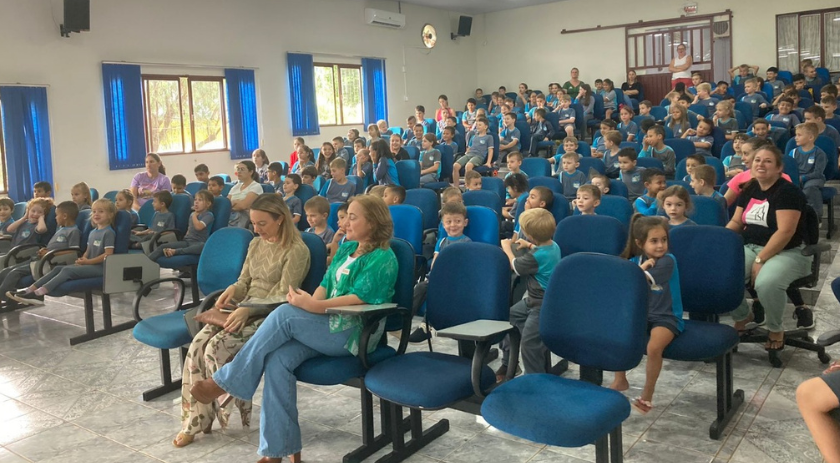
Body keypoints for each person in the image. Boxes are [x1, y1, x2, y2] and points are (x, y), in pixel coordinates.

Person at [188, 195, 398, 462]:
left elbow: (360, 299)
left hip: (354, 333)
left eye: (352, 217)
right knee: (277, 361)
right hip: (327, 327)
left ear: (374, 222)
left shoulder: (383, 257)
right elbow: (325, 284)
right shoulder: (346, 248)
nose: (344, 222)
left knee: (286, 313)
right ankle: (277, 450)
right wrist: (311, 301)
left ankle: (228, 380)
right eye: (345, 216)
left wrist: (310, 307)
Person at [172, 193, 310, 448]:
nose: (256, 230)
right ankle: (193, 422)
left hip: (271, 316)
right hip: (243, 307)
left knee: (216, 348)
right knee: (197, 346)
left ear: (280, 219)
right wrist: (232, 291)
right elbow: (244, 280)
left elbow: (284, 295)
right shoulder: (256, 244)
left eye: (262, 224)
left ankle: (219, 406)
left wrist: (248, 310)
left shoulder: (296, 250)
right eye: (254, 224)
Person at [727, 145, 812, 351]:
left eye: (767, 161)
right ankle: (742, 316)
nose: (761, 164)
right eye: (757, 160)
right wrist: (721, 243)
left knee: (767, 283)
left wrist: (760, 260)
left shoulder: (787, 192)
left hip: (788, 251)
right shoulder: (750, 188)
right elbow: (737, 223)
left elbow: (785, 232)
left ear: (778, 168)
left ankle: (775, 328)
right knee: (723, 273)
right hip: (751, 246)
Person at [610, 215, 683, 415]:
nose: (660, 246)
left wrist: (639, 269)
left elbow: (635, 279)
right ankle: (620, 379)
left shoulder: (668, 261)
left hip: (667, 317)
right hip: (643, 315)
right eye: (654, 241)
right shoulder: (635, 260)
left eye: (664, 240)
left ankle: (647, 395)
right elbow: (621, 283)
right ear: (640, 243)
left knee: (653, 347)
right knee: (619, 334)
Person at [9, 199, 117, 307]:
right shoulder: (93, 232)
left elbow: (108, 255)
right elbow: (88, 251)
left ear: (110, 214)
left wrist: (88, 262)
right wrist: (82, 260)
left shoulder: (108, 232)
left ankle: (39, 293)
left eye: (101, 211)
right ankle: (29, 290)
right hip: (89, 264)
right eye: (94, 211)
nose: (96, 214)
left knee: (67, 270)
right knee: (57, 269)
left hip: (101, 268)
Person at [498, 208, 561, 378]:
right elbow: (541, 248)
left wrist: (506, 248)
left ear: (530, 235)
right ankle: (510, 362)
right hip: (533, 301)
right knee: (508, 319)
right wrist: (530, 245)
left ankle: (535, 380)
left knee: (529, 344)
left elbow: (516, 266)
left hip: (542, 306)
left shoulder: (535, 257)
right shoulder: (553, 246)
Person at [0, 201, 78, 311]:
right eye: (33, 211)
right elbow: (10, 229)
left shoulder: (73, 231)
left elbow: (73, 250)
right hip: (40, 258)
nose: (55, 218)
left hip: (47, 260)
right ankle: (7, 297)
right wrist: (24, 217)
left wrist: (41, 218)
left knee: (15, 272)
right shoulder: (60, 229)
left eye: (57, 215)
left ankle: (2, 297)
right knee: (6, 270)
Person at [148, 190, 215, 262]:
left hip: (198, 243)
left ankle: (175, 251)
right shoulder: (192, 215)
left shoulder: (208, 215)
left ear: (208, 204)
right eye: (195, 199)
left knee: (202, 247)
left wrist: (194, 215)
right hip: (187, 241)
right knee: (162, 247)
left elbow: (198, 227)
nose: (196, 202)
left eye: (200, 200)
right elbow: (189, 229)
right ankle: (145, 263)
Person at [789, 122, 827, 217]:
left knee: (810, 189)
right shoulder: (793, 152)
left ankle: (815, 217)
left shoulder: (819, 153)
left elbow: (818, 172)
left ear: (810, 137)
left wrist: (803, 178)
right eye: (796, 135)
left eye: (799, 135)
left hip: (814, 178)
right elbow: (789, 169)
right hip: (797, 178)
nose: (795, 137)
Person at [453, 118, 493, 187]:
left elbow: (490, 150)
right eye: (477, 125)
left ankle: (468, 186)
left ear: (485, 127)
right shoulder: (474, 137)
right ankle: (456, 187)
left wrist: (488, 162)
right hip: (469, 154)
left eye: (480, 125)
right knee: (455, 166)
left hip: (479, 156)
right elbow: (469, 147)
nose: (477, 126)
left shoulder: (489, 137)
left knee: (468, 166)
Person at [228, 160, 263, 228]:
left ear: (251, 172)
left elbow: (243, 206)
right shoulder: (235, 187)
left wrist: (233, 204)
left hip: (246, 217)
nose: (239, 171)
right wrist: (236, 202)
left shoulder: (256, 186)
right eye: (238, 169)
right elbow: (226, 204)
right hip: (231, 216)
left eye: (242, 169)